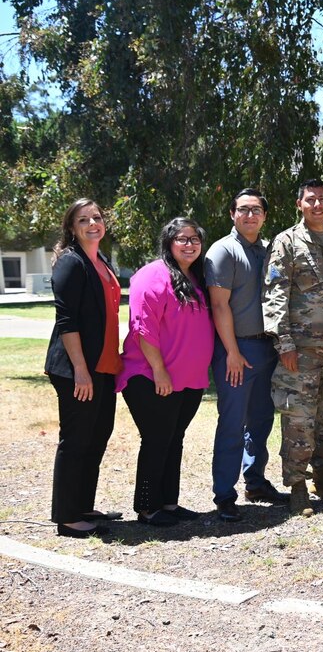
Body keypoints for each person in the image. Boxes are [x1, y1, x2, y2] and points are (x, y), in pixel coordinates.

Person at [264, 180, 323, 515]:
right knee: (299, 417)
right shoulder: (286, 241)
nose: (318, 205)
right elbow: (275, 293)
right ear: (299, 204)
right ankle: (297, 486)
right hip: (299, 349)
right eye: (311, 200)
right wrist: (283, 341)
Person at [118, 218, 215, 527]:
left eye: (195, 239)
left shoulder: (197, 278)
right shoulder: (151, 275)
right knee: (157, 439)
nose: (190, 244)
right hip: (151, 377)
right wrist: (159, 371)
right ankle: (147, 508)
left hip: (189, 380)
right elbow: (143, 328)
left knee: (175, 439)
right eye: (182, 239)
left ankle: (168, 503)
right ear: (169, 243)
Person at [205, 188, 288, 522]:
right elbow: (218, 305)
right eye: (243, 209)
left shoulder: (268, 250)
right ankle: (225, 494)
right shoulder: (223, 252)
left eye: (256, 210)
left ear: (265, 216)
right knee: (231, 423)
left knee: (261, 420)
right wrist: (232, 353)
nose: (250, 215)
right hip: (236, 349)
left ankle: (255, 482)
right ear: (232, 214)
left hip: (266, 347)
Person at [45, 199, 123, 538]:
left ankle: (83, 505)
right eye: (83, 219)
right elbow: (67, 321)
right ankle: (67, 517)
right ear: (72, 227)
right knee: (76, 439)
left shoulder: (101, 260)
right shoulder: (70, 263)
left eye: (97, 217)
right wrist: (80, 370)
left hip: (104, 365)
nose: (93, 223)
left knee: (97, 437)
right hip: (78, 368)